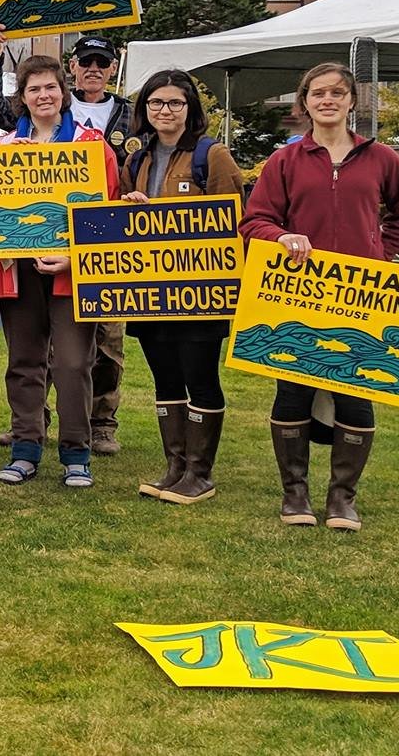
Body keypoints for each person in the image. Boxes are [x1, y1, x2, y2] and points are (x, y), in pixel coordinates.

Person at [240, 62, 399, 532]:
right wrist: (281, 237)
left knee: (357, 394)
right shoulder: (285, 161)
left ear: (351, 101)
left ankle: (342, 498)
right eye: (318, 93)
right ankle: (295, 494)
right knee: (293, 392)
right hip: (297, 294)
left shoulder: (381, 158)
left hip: (360, 296)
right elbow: (255, 220)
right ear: (304, 102)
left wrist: (380, 252)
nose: (327, 100)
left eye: (337, 93)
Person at [0, 27, 134, 453]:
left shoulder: (91, 145)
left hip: (71, 271)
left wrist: (75, 259)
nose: (43, 95)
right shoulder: (1, 147)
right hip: (17, 268)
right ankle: (26, 444)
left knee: (73, 362)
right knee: (24, 362)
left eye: (50, 87)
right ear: (23, 97)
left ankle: (76, 449)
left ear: (63, 93)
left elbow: (105, 214)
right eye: (34, 89)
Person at [122, 69, 243, 504]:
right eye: (156, 102)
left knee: (200, 377)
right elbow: (121, 226)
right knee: (166, 378)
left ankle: (199, 473)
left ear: (190, 109)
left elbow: (234, 221)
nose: (165, 110)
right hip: (148, 290)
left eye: (175, 102)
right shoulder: (136, 159)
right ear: (145, 109)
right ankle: (175, 467)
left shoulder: (212, 156)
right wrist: (131, 206)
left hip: (200, 290)